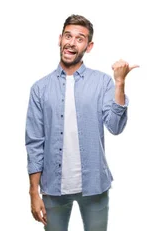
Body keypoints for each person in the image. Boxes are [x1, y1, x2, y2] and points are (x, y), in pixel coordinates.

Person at [26, 14, 138, 231]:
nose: (71, 42)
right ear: (60, 39)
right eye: (68, 36)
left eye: (80, 38)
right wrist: (33, 192)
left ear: (89, 46)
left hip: (95, 185)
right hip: (52, 188)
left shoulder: (103, 82)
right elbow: (34, 143)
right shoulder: (40, 89)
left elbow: (115, 127)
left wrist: (120, 83)